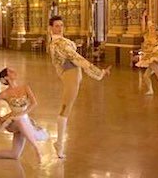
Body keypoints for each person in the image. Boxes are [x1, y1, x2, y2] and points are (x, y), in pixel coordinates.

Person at [47, 15, 111, 159]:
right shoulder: (58, 44)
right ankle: (59, 144)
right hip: (71, 75)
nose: (60, 28)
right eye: (57, 26)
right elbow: (78, 59)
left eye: (61, 25)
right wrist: (99, 72)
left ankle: (59, 144)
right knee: (65, 109)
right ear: (51, 28)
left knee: (66, 109)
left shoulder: (58, 43)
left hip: (72, 74)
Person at [0, 68, 47, 162]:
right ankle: (36, 149)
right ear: (6, 77)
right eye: (11, 72)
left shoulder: (25, 87)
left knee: (15, 154)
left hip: (25, 120)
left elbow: (34, 103)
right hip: (12, 122)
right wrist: (1, 118)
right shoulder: (5, 93)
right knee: (19, 120)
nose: (14, 72)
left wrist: (22, 113)